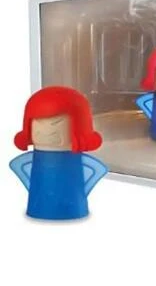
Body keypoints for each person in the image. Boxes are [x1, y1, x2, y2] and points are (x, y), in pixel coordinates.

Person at [9, 86, 108, 220]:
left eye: (56, 123)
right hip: (42, 209)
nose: (46, 131)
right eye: (39, 123)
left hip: (71, 209)